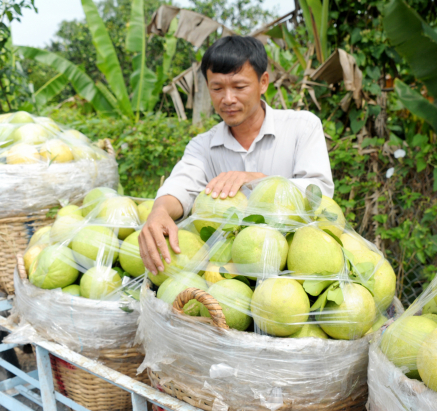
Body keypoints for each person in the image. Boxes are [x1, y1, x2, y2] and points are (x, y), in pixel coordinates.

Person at [139, 35, 333, 275]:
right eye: (217, 88)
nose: (227, 99)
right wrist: (159, 212)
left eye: (239, 87)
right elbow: (182, 186)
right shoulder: (203, 145)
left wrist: (260, 181)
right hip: (225, 272)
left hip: (297, 269)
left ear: (263, 83)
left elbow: (321, 191)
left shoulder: (302, 127)